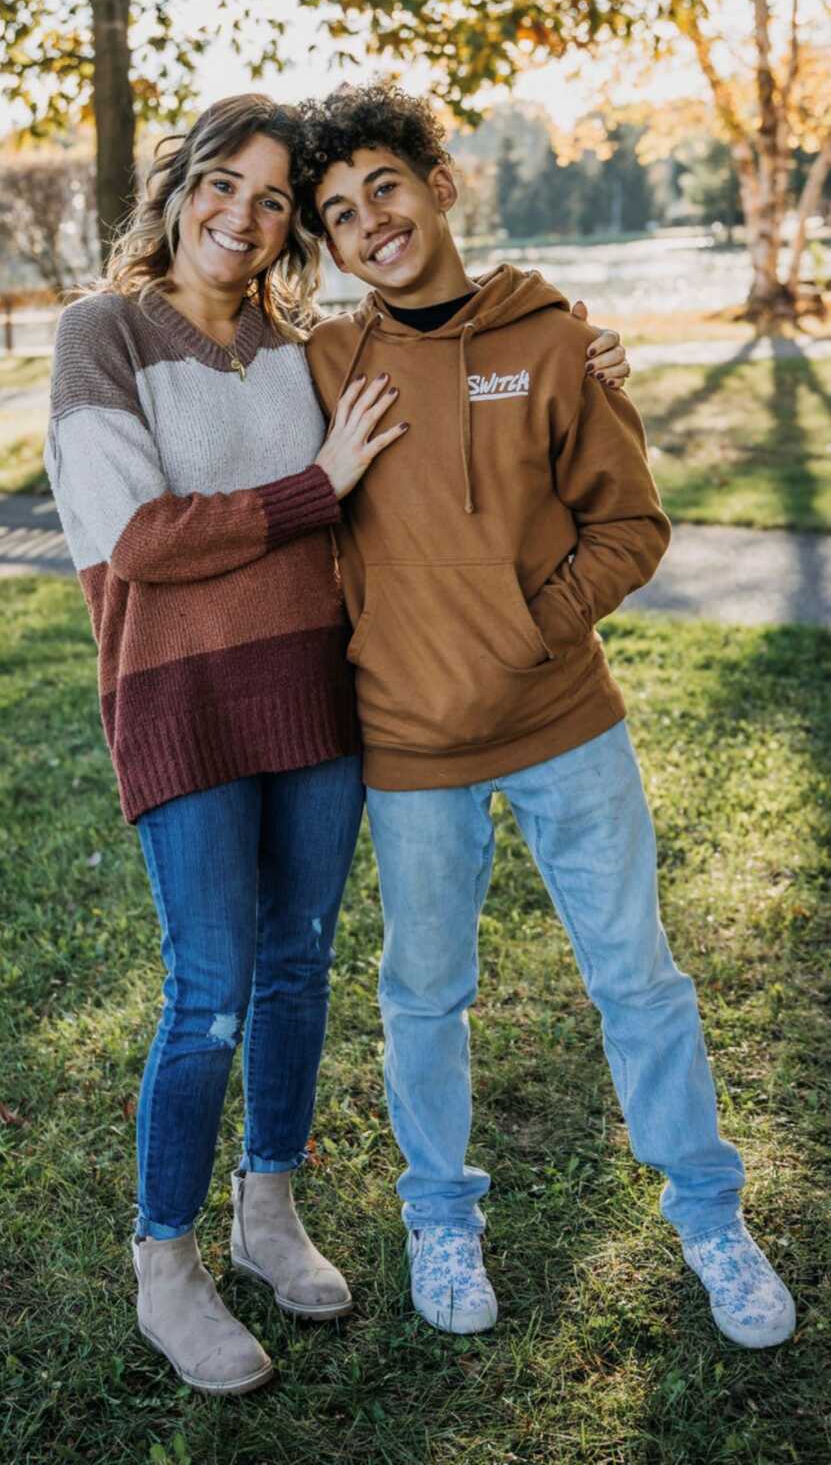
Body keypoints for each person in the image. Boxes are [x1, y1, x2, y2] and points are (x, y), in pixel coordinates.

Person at [44, 92, 629, 1395]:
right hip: (180, 706)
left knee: (299, 961)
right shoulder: (102, 334)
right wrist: (317, 487)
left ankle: (267, 1215)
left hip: (317, 702)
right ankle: (167, 1266)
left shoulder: (300, 349)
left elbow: (451, 380)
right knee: (207, 992)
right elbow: (142, 537)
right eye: (222, 184)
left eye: (269, 201)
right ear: (177, 184)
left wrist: (586, 359)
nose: (241, 218)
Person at [297, 83, 796, 1350]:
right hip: (408, 749)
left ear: (440, 183)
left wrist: (530, 629)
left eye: (385, 189)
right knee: (421, 994)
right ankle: (440, 1214)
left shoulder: (558, 342)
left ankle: (709, 1214)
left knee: (638, 978)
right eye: (341, 214)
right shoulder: (323, 363)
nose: (370, 224)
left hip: (568, 727)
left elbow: (633, 525)